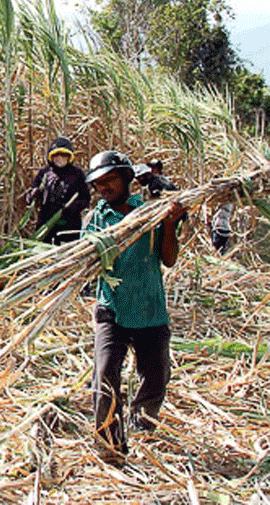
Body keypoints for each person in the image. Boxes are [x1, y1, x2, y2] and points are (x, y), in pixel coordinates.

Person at [83, 150, 187, 464]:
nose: (103, 187)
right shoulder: (96, 220)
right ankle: (110, 444)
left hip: (149, 308)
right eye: (98, 183)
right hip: (112, 309)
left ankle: (141, 426)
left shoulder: (149, 214)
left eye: (109, 179)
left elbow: (168, 260)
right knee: (104, 374)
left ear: (127, 178)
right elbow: (87, 266)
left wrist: (169, 224)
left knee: (156, 374)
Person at [25, 136, 91, 244]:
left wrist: (70, 208)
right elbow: (31, 196)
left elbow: (86, 199)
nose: (59, 158)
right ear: (51, 157)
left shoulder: (78, 174)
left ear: (69, 157)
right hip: (46, 225)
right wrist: (33, 194)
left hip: (70, 225)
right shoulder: (44, 173)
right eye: (56, 155)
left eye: (63, 154)